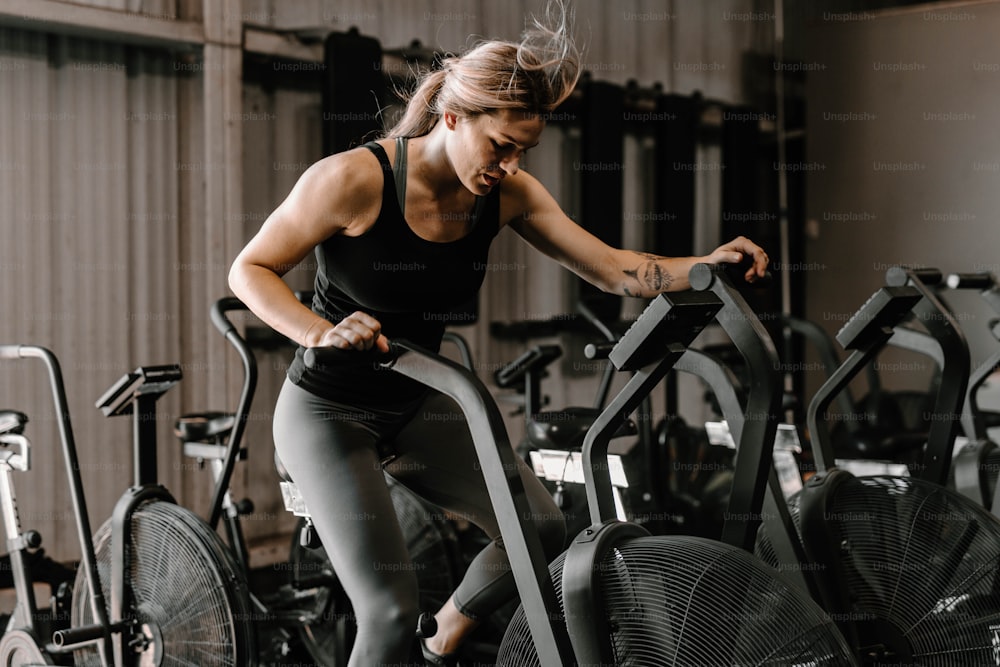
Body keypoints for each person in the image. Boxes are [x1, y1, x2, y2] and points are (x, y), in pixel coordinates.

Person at [228, 2, 768, 665]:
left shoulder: (507, 195)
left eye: (523, 150)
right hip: (329, 408)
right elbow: (250, 269)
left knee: (540, 527)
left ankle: (449, 628)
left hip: (419, 398)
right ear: (452, 118)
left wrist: (706, 267)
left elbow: (616, 269)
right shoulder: (353, 180)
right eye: (501, 146)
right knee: (390, 612)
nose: (510, 165)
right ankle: (412, 632)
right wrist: (318, 331)